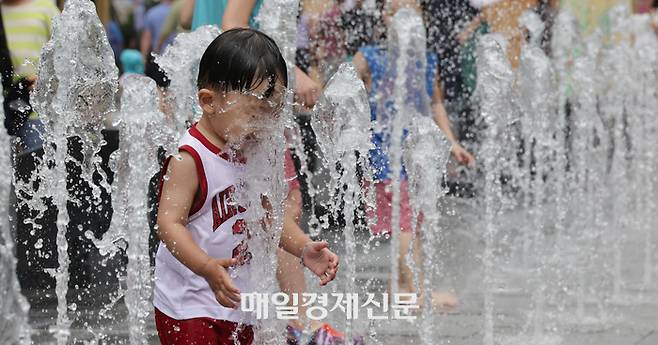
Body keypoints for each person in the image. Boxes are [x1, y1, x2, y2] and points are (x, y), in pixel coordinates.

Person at [153, 28, 339, 345]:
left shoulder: (249, 152)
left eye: (272, 116)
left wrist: (304, 247)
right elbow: (168, 224)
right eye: (254, 116)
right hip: (190, 306)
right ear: (209, 101)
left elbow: (269, 219)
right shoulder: (190, 159)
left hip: (238, 304)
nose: (263, 128)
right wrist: (206, 266)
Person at [352, 0, 476, 309]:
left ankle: (402, 285)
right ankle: (409, 288)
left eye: (413, 10)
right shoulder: (369, 57)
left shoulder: (427, 61)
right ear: (385, 18)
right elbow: (343, 94)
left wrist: (453, 143)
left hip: (418, 153)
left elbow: (435, 106)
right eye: (397, 10)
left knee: (414, 224)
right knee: (406, 223)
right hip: (385, 154)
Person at [190, 0, 321, 108]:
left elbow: (186, 16)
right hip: (240, 79)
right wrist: (293, 73)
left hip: (207, 70)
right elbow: (233, 23)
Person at [0, 0, 59, 150]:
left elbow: (66, 54)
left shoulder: (45, 8)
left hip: (37, 112)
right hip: (4, 110)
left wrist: (48, 79)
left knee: (40, 164)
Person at [141, 0, 174, 88]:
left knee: (159, 90)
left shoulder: (152, 13)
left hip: (158, 57)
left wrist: (144, 59)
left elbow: (146, 38)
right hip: (176, 57)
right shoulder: (178, 10)